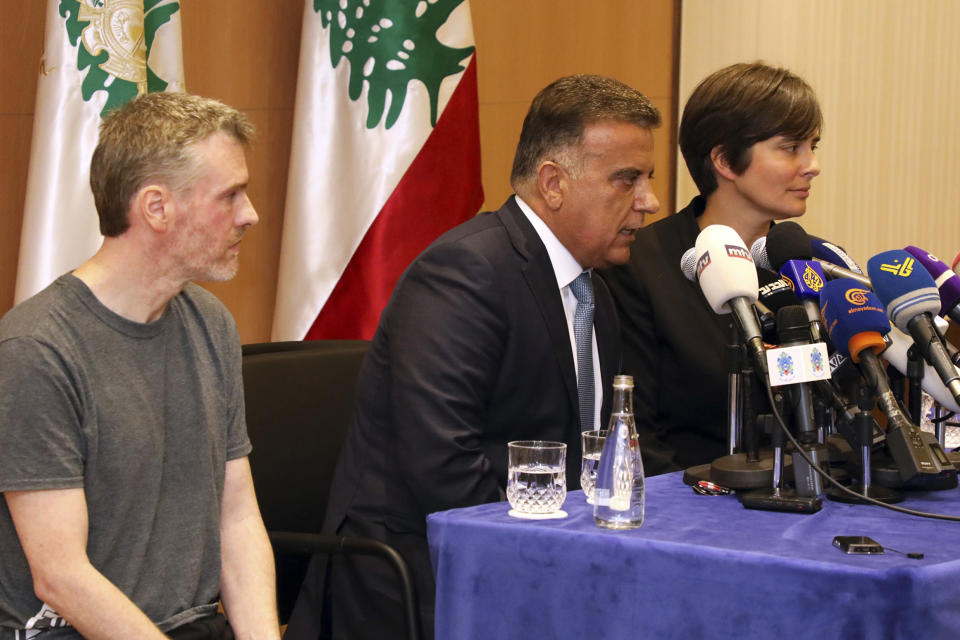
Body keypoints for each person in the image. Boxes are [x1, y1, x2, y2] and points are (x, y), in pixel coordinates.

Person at [284, 74, 661, 639]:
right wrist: (548, 558)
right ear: (553, 184)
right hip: (420, 575)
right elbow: (443, 466)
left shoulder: (593, 288)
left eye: (647, 179)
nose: (650, 202)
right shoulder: (465, 273)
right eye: (626, 180)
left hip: (538, 555)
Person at [0, 93, 280, 640]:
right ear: (156, 208)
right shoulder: (36, 350)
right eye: (230, 195)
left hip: (194, 625)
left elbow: (237, 517)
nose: (251, 214)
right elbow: (60, 576)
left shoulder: (210, 321)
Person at [600, 61, 822, 475]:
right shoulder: (640, 264)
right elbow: (637, 430)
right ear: (724, 160)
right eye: (791, 147)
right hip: (690, 508)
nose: (812, 165)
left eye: (814, 145)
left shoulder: (810, 265)